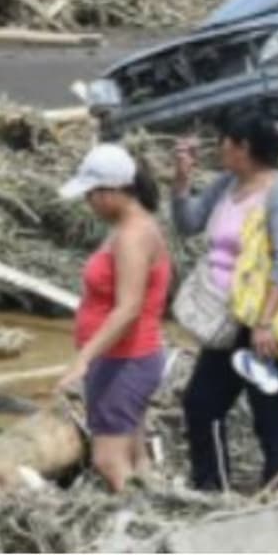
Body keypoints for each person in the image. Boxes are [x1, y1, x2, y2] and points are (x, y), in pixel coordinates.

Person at [173, 107, 278, 491]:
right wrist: (182, 183)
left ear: (243, 147)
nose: (219, 148)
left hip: (261, 319)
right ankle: (212, 486)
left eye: (225, 142)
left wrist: (265, 322)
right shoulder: (227, 183)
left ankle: (277, 489)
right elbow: (188, 224)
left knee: (269, 410)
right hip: (226, 317)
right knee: (202, 404)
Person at [56, 143, 170, 492]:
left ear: (111, 192)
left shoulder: (133, 236)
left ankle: (139, 532)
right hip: (126, 358)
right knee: (135, 456)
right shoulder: (129, 227)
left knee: (108, 460)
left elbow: (128, 308)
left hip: (126, 360)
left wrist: (83, 359)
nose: (89, 204)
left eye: (91, 195)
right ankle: (156, 511)